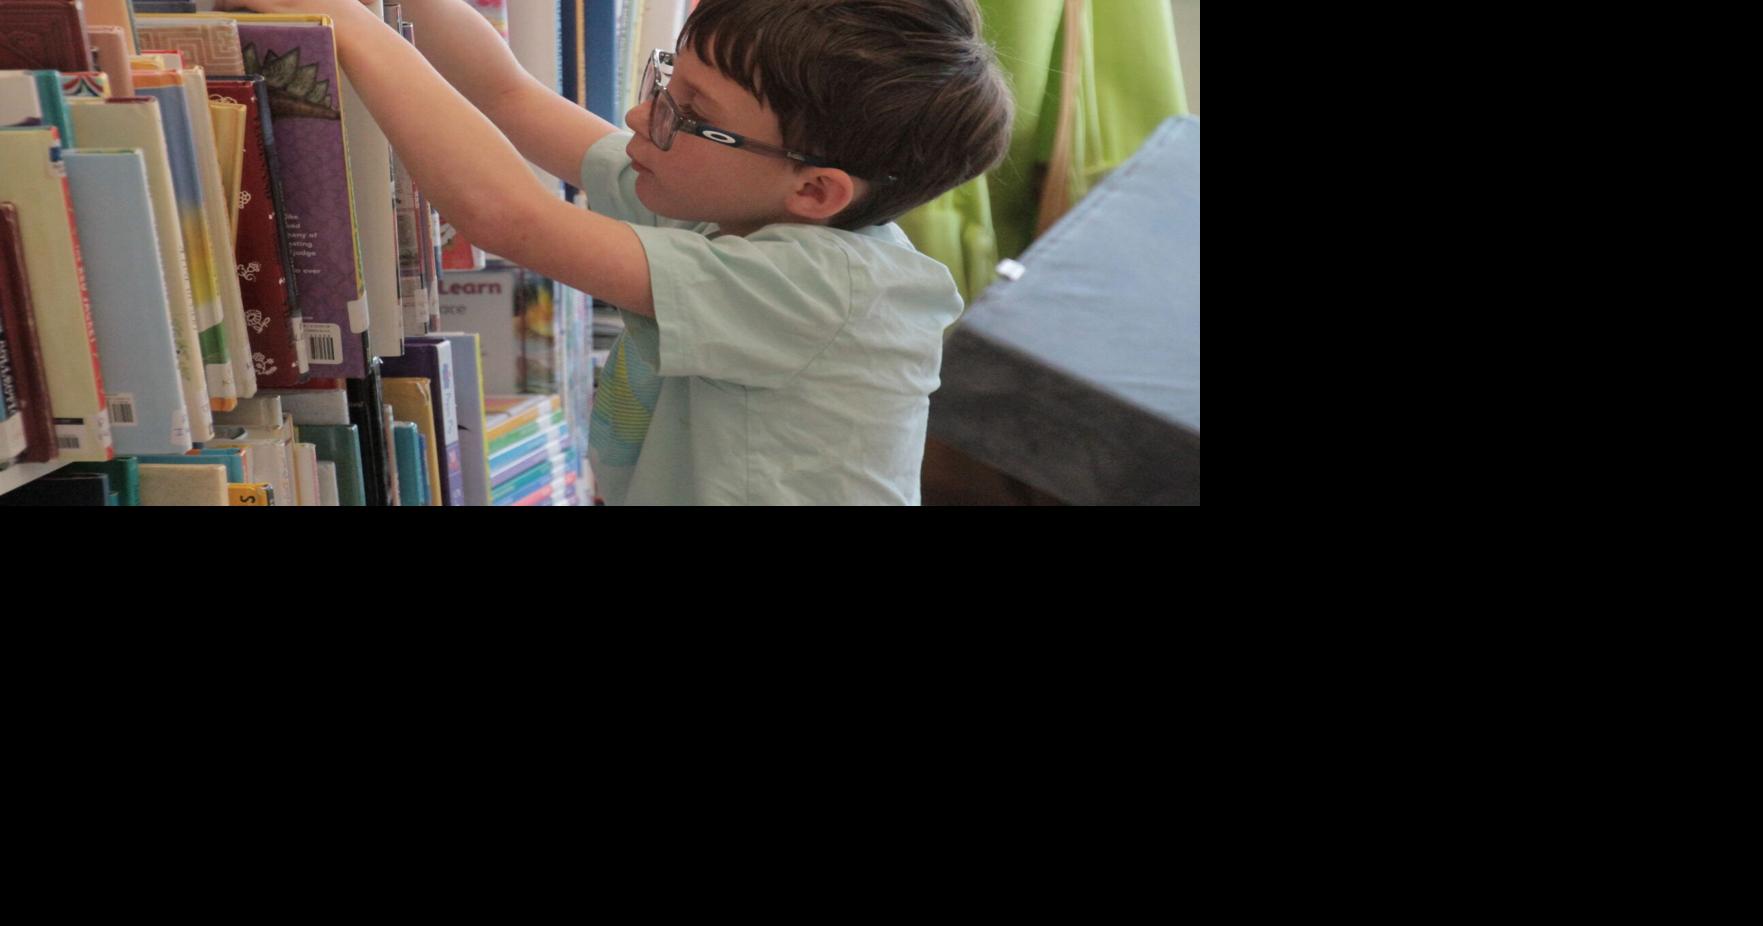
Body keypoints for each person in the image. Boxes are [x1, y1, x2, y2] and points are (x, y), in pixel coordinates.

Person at [218, 0, 1014, 504]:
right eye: (666, 81)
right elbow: (509, 97)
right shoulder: (721, 201)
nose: (642, 115)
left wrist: (355, 32)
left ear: (815, 191)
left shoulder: (828, 287)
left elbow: (509, 217)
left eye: (687, 112)